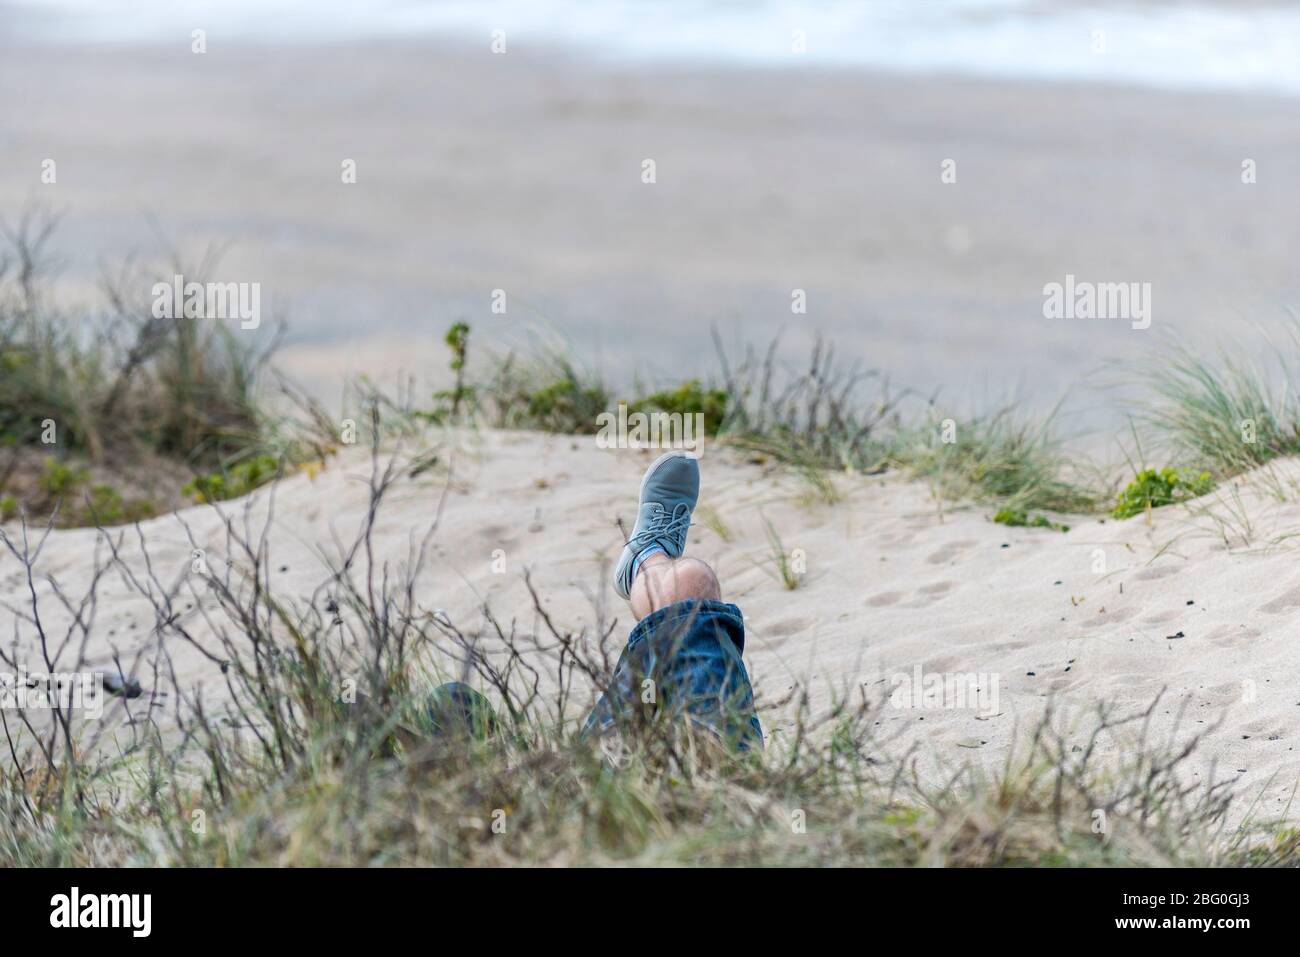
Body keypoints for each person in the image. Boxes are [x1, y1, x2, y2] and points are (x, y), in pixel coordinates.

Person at [427, 451, 763, 750]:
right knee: (690, 583)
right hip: (700, 770)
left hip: (575, 787)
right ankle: (646, 559)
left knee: (451, 703)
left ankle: (647, 564)